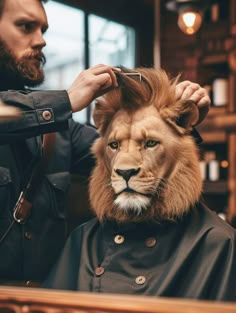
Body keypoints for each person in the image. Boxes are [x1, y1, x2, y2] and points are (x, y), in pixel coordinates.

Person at [0, 0, 210, 286]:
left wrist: (181, 123)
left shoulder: (60, 134)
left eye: (43, 29)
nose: (41, 41)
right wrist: (66, 100)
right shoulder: (58, 111)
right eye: (25, 26)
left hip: (43, 299)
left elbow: (135, 156)